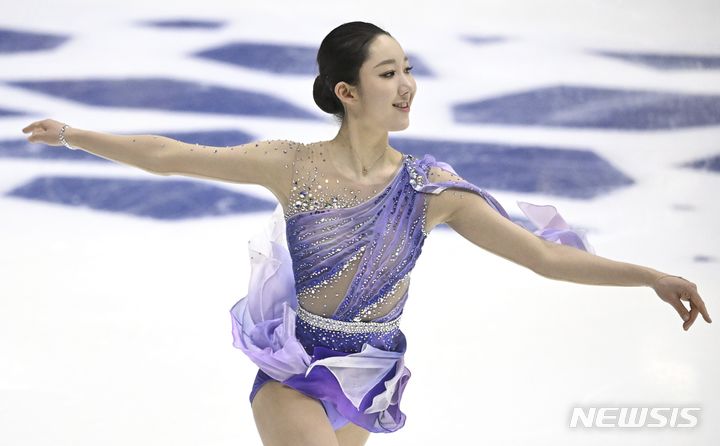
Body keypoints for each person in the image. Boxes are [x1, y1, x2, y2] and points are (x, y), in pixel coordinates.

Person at [22, 20, 711, 446]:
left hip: (370, 376)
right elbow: (174, 156)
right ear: (347, 92)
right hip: (294, 370)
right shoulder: (292, 165)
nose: (407, 84)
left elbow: (540, 256)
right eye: (389, 73)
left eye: (408, 70)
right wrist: (77, 135)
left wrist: (652, 275)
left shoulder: (432, 188)